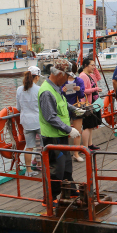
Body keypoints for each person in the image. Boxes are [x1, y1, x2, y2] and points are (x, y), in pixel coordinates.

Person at [38, 59, 85, 202]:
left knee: (66, 166)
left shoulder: (57, 87)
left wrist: (76, 110)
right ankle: (50, 197)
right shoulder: (46, 91)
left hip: (61, 135)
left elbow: (63, 104)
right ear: (59, 74)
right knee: (55, 170)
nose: (67, 79)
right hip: (52, 138)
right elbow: (50, 117)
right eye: (66, 76)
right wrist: (69, 129)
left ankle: (70, 190)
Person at [16, 66, 41, 177]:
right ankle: (41, 165)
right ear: (37, 77)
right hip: (38, 121)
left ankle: (28, 170)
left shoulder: (19, 89)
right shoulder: (39, 89)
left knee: (29, 146)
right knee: (42, 145)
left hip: (26, 121)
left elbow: (18, 107)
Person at [61, 62, 86, 162]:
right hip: (64, 107)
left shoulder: (79, 80)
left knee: (77, 131)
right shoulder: (62, 80)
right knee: (63, 132)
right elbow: (58, 94)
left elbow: (81, 95)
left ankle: (76, 153)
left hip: (75, 106)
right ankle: (64, 154)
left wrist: (79, 90)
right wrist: (63, 91)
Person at [79, 58, 101, 151]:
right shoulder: (83, 76)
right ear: (85, 66)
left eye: (94, 65)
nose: (93, 67)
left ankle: (90, 144)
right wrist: (95, 89)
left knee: (91, 125)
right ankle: (86, 147)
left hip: (94, 102)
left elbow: (98, 77)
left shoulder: (90, 75)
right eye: (92, 65)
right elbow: (83, 91)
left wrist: (94, 69)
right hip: (88, 103)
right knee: (87, 126)